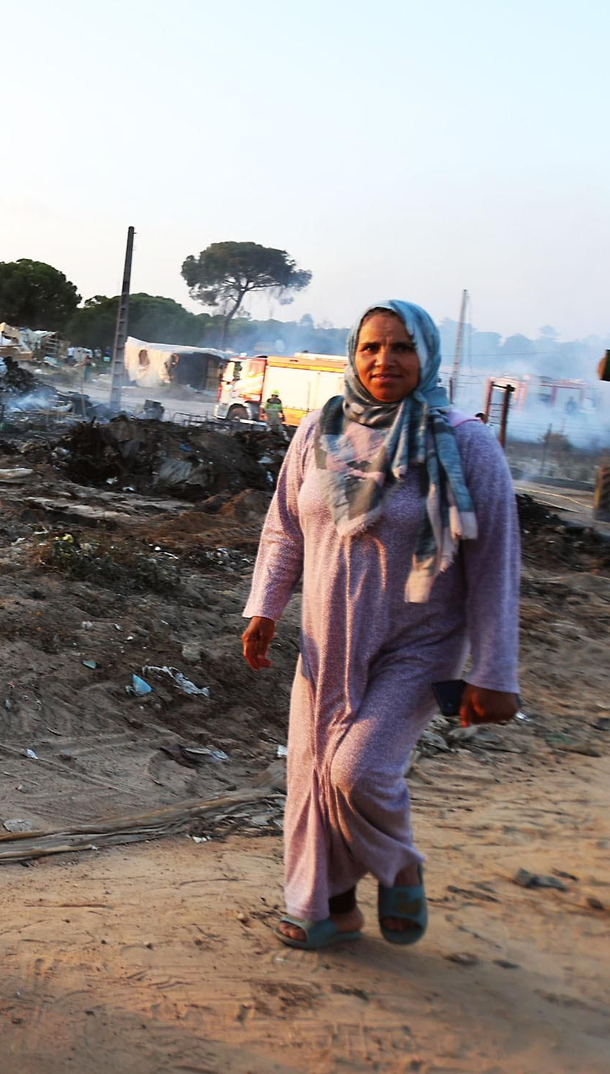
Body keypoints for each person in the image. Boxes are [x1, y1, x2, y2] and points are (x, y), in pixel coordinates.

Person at [241, 300, 519, 951]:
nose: (383, 361)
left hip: (417, 646)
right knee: (312, 774)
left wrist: (493, 671)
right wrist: (265, 607)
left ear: (426, 356)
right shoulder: (320, 431)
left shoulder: (463, 443)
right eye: (370, 347)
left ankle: (400, 866)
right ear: (352, 353)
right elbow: (285, 526)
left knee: (354, 771)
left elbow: (495, 563)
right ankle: (326, 908)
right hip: (324, 639)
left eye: (400, 348)